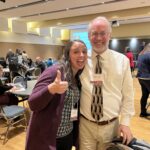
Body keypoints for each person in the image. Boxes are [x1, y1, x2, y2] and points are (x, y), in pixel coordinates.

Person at [79, 16, 135, 150]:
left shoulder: (122, 61)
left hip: (111, 127)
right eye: (94, 34)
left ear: (109, 35)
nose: (98, 38)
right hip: (85, 126)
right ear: (89, 36)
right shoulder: (80, 60)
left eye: (103, 33)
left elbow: (128, 95)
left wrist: (125, 122)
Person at [25, 40, 88, 150]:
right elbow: (32, 103)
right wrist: (51, 89)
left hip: (67, 136)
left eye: (84, 51)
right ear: (68, 55)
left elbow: (73, 106)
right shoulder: (54, 71)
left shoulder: (77, 77)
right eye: (76, 52)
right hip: (49, 138)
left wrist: (74, 134)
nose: (81, 55)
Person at [136, 43, 150, 117]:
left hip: (141, 78)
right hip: (148, 78)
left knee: (144, 95)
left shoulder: (141, 54)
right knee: (144, 95)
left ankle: (143, 112)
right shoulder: (149, 55)